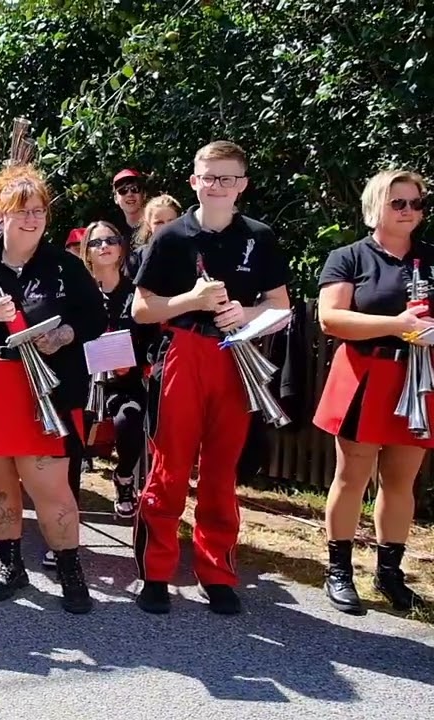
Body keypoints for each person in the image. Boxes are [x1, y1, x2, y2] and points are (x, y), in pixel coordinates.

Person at [131, 140, 291, 615]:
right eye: (208, 177)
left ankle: (217, 572)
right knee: (170, 468)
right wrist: (192, 301)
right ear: (194, 181)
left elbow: (281, 307)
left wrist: (247, 313)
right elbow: (141, 309)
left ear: (242, 184)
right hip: (184, 351)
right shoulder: (171, 237)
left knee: (222, 472)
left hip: (235, 355)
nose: (216, 186)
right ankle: (156, 573)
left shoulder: (259, 236)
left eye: (227, 178)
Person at [0, 163, 103, 613]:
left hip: (45, 388)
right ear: (1, 214)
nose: (32, 219)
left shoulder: (65, 265)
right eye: (22, 210)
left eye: (39, 211)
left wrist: (64, 334)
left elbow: (95, 316)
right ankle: (10, 565)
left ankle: (70, 568)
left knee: (51, 488)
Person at [314, 169, 430, 614]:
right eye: (398, 203)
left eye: (416, 203)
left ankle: (389, 574)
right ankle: (339, 571)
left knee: (402, 481)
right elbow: (331, 319)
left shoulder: (430, 258)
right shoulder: (349, 257)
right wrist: (397, 325)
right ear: (375, 206)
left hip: (418, 377)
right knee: (352, 476)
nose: (408, 211)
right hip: (367, 374)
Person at [81, 220, 154, 518]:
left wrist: (135, 362)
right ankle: (66, 492)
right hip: (85, 381)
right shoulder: (79, 292)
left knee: (130, 419)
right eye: (96, 242)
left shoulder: (136, 293)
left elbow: (151, 339)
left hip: (126, 380)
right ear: (87, 251)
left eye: (111, 240)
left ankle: (124, 478)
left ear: (121, 248)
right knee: (74, 429)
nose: (104, 246)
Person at [125, 194, 182, 278]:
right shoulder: (137, 258)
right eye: (159, 223)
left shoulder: (191, 251)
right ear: (148, 225)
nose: (165, 227)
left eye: (171, 221)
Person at [107, 168, 146, 239]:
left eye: (135, 189)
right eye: (123, 190)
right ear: (116, 199)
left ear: (144, 195)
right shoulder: (114, 236)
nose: (129, 194)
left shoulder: (156, 226)